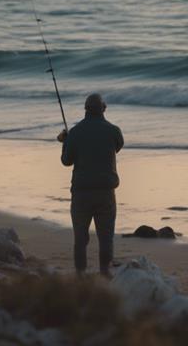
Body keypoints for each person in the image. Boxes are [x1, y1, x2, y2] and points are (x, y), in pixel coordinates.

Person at [57, 93, 124, 277]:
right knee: (106, 236)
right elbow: (117, 146)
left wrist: (65, 142)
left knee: (80, 238)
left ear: (86, 110)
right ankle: (105, 271)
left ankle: (80, 274)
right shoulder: (114, 131)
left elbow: (66, 161)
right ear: (103, 108)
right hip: (106, 193)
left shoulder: (75, 132)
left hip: (81, 194)